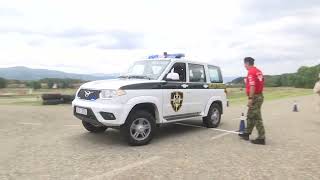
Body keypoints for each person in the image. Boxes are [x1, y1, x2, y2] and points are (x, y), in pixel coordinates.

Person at [239, 57, 266, 145]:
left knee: (256, 117)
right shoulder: (258, 71)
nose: (244, 66)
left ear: (247, 63)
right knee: (250, 115)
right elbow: (260, 83)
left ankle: (261, 138)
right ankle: (247, 133)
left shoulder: (251, 72)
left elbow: (252, 86)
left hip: (255, 97)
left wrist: (250, 98)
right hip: (259, 95)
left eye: (244, 64)